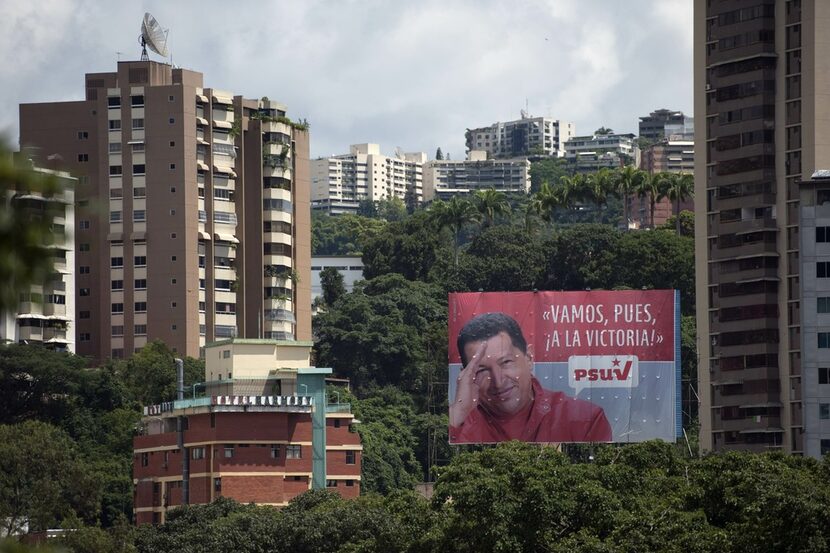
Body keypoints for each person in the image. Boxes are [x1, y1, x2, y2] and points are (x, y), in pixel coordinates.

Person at [449, 312, 612, 443]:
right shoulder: (460, 424)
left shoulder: (584, 419)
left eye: (506, 362)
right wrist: (458, 413)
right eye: (482, 370)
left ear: (529, 358)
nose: (498, 382)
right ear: (466, 377)